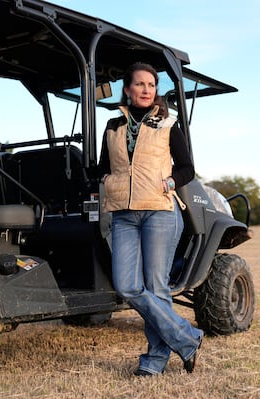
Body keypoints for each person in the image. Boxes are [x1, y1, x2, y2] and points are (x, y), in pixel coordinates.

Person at [98, 62, 203, 376]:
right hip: (123, 215)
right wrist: (106, 180)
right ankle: (188, 337)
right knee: (127, 286)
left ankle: (155, 361)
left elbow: (187, 168)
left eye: (151, 85)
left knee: (156, 288)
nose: (146, 90)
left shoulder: (168, 125)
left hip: (160, 212)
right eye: (139, 84)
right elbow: (103, 166)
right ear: (128, 89)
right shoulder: (113, 126)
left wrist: (169, 183)